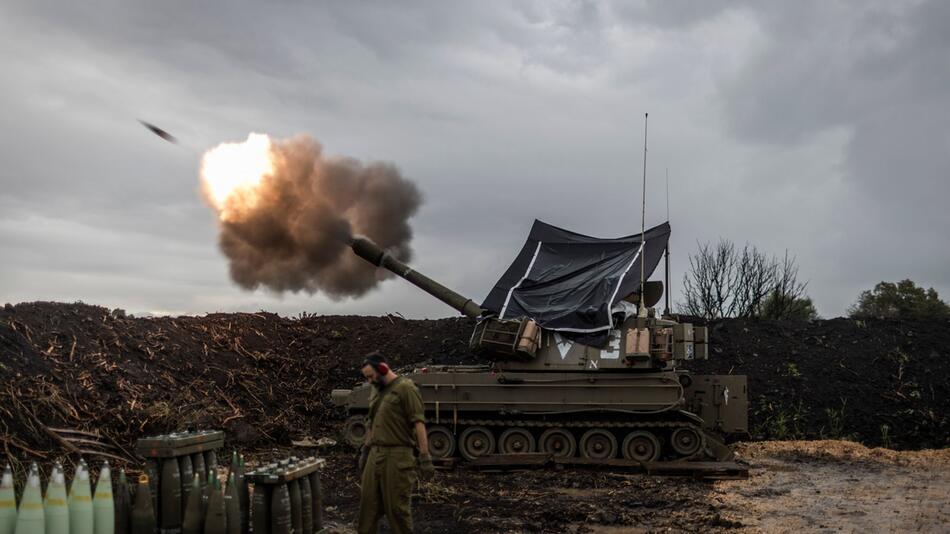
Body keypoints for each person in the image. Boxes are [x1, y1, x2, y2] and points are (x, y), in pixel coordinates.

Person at [357, 352, 435, 534]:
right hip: (375, 454)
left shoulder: (406, 388)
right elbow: (371, 422)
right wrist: (365, 450)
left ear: (383, 369)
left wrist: (425, 456)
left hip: (398, 456)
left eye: (370, 376)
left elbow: (419, 423)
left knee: (397, 510)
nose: (369, 381)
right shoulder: (376, 389)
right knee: (367, 507)